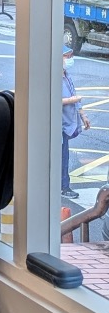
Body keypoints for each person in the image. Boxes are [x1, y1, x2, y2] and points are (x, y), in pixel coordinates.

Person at [61, 44, 90, 199]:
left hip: (66, 124)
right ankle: (63, 187)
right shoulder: (53, 77)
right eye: (67, 56)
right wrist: (72, 100)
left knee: (63, 155)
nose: (70, 59)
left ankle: (62, 186)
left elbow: (74, 95)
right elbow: (51, 99)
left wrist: (83, 115)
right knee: (62, 156)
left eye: (70, 56)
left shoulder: (66, 75)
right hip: (57, 124)